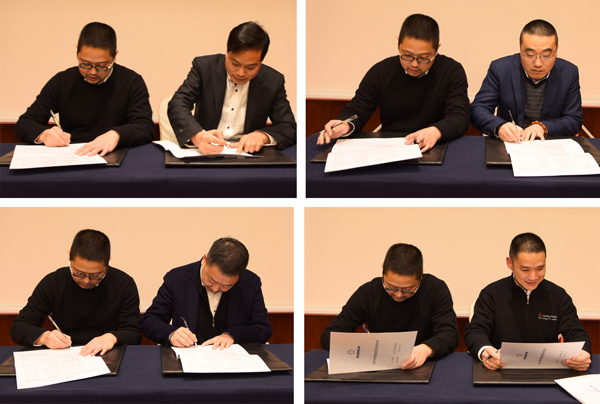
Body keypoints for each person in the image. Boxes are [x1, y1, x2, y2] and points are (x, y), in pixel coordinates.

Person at [317, 14, 469, 153]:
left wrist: (436, 130)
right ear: (398, 43)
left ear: (437, 49)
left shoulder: (452, 71)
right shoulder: (381, 71)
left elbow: (459, 116)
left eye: (424, 58)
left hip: (437, 146)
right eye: (407, 55)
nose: (414, 64)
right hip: (392, 147)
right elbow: (358, 110)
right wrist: (345, 125)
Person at [15, 22, 154, 157]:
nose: (93, 72)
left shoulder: (131, 82)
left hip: (115, 156)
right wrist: (44, 135)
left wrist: (117, 135)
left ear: (115, 56)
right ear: (77, 52)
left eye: (102, 66)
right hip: (73, 156)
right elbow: (25, 123)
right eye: (85, 64)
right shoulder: (62, 81)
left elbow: (145, 127)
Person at [464, 233, 591, 371]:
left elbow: (576, 332)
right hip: (499, 369)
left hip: (546, 371)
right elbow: (475, 331)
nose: (533, 277)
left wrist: (583, 353)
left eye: (540, 268)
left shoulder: (558, 296)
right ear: (510, 263)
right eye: (525, 269)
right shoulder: (491, 294)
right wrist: (485, 351)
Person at [320, 243, 459, 370]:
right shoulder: (368, 293)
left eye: (408, 289)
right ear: (383, 270)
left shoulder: (435, 290)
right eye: (391, 287)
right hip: (379, 367)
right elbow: (329, 335)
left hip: (425, 366)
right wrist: (364, 347)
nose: (398, 294)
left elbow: (450, 334)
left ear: (420, 276)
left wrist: (426, 349)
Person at [168, 21, 296, 155]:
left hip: (247, 155)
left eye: (251, 67)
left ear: (260, 62)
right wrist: (196, 135)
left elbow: (288, 126)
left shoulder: (273, 81)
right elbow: (178, 103)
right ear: (227, 53)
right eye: (235, 63)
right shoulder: (204, 68)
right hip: (205, 152)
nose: (241, 73)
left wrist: (261, 136)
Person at [10, 229, 142, 356]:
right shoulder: (54, 282)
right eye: (78, 273)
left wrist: (112, 337)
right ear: (69, 256)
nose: (86, 280)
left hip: (108, 355)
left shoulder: (124, 284)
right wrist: (45, 337)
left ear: (108, 261)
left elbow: (134, 333)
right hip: (64, 355)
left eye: (96, 275)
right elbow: (19, 326)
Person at [141, 237, 272, 349]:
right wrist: (171, 333)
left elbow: (263, 329)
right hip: (188, 357)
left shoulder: (250, 283)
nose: (215, 289)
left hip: (230, 359)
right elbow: (150, 320)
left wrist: (232, 335)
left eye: (226, 286)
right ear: (205, 260)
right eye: (211, 280)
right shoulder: (177, 279)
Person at [470, 20, 583, 142]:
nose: (538, 63)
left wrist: (543, 127)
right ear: (520, 48)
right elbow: (478, 109)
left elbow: (574, 120)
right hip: (512, 144)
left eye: (546, 55)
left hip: (548, 145)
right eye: (530, 54)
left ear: (556, 50)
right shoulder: (500, 69)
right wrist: (499, 126)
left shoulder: (569, 73)